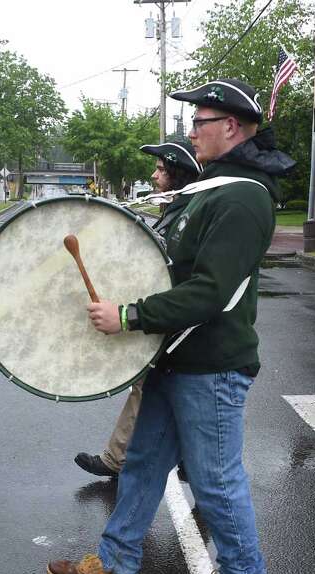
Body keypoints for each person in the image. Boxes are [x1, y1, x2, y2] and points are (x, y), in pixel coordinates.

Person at [47, 79, 294, 574]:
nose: (191, 132)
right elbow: (168, 269)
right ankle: (116, 563)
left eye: (199, 123)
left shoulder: (244, 198)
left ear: (230, 127)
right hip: (172, 359)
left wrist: (130, 316)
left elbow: (209, 291)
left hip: (210, 365)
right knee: (140, 463)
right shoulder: (214, 190)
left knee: (215, 478)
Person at [74, 137, 201, 479]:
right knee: (150, 388)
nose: (154, 176)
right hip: (162, 319)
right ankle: (131, 459)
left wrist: (133, 315)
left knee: (158, 390)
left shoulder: (189, 214)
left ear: (180, 176)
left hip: (179, 326)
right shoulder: (173, 212)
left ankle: (124, 459)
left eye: (162, 170)